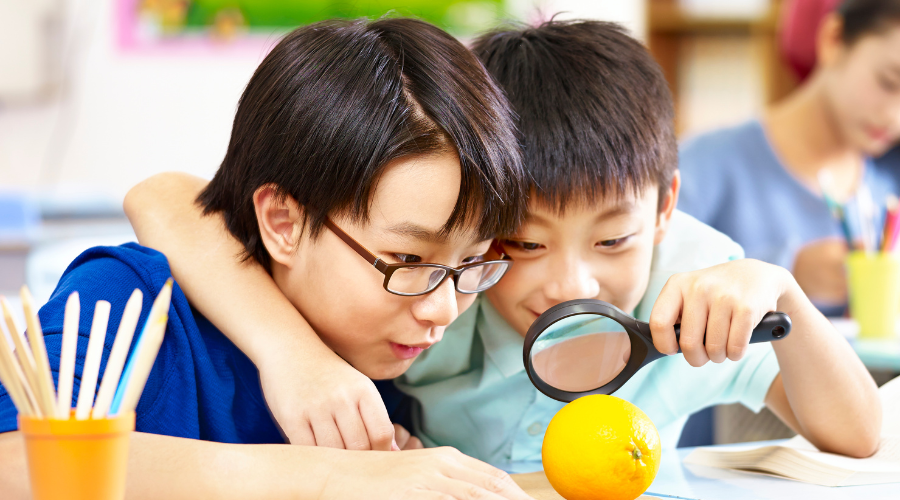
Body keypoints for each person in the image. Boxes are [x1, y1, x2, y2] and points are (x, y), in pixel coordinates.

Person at [125, 19, 882, 474]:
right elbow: (163, 197)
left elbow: (856, 434)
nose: (570, 279)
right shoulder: (443, 302)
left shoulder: (690, 284)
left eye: (613, 237)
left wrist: (779, 290)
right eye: (520, 243)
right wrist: (299, 359)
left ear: (665, 211)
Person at [0, 18, 536, 500]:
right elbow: (13, 462)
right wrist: (332, 477)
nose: (443, 311)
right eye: (408, 258)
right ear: (284, 223)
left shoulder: (387, 352)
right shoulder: (132, 304)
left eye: (472, 262)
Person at [678, 0, 900, 313]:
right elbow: (649, 279)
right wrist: (785, 270)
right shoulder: (704, 163)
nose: (895, 117)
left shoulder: (887, 187)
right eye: (889, 82)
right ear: (833, 39)